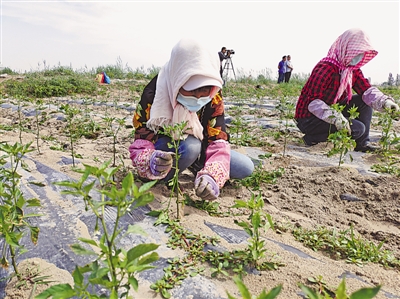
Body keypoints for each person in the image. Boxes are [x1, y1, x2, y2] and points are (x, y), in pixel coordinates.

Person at [129, 39, 254, 201]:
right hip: (166, 149)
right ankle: (164, 178)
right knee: (190, 146)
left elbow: (218, 139)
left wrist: (212, 176)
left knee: (244, 167)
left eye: (204, 90)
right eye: (192, 90)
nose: (198, 97)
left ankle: (196, 167)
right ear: (178, 79)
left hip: (199, 148)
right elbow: (141, 136)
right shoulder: (154, 93)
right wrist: (150, 159)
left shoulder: (213, 96)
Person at [295, 28, 399, 152]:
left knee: (364, 101)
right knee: (357, 129)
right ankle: (312, 138)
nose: (358, 57)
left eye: (361, 53)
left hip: (330, 111)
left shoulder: (351, 70)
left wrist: (386, 102)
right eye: (356, 52)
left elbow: (367, 91)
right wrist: (336, 118)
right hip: (309, 119)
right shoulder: (326, 68)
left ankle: (361, 144)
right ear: (346, 49)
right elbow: (312, 103)